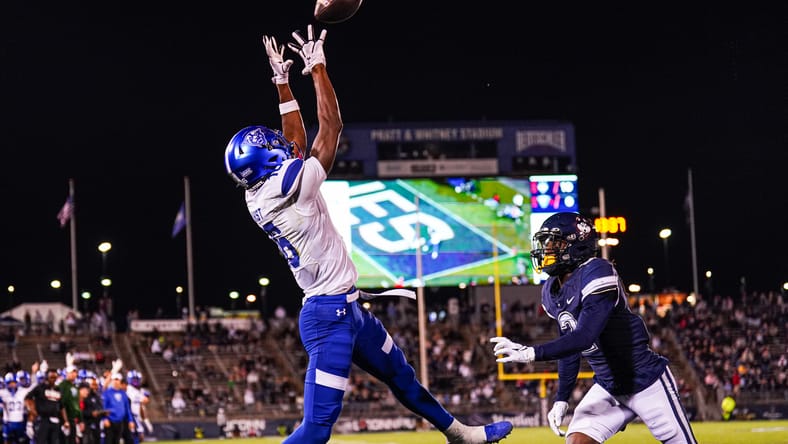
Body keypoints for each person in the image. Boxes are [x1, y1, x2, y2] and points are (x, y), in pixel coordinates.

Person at [223, 24, 513, 444]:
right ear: (268, 161)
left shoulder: (262, 191)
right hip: (328, 318)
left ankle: (459, 434)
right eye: (272, 146)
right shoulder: (286, 189)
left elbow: (293, 143)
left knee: (402, 376)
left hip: (348, 310)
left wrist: (283, 84)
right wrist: (317, 68)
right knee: (317, 430)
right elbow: (330, 128)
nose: (281, 145)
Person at [490, 212, 697, 444]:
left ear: (576, 244)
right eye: (545, 243)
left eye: (554, 243)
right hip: (608, 386)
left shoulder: (597, 271)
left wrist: (530, 353)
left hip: (645, 380)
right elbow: (570, 350)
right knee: (577, 441)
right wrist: (562, 398)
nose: (546, 250)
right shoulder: (552, 290)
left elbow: (584, 337)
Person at [25, 368, 69, 444]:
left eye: (55, 377)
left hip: (55, 421)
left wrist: (66, 421)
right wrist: (32, 410)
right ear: (47, 377)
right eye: (51, 377)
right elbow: (27, 398)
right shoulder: (40, 387)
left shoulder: (58, 389)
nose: (53, 379)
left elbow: (62, 407)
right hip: (43, 420)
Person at [101, 373, 134, 444]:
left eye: (117, 380)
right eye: (114, 379)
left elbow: (127, 408)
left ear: (120, 381)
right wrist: (105, 419)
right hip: (110, 421)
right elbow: (103, 407)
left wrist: (130, 420)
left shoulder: (123, 393)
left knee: (117, 441)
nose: (116, 381)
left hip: (120, 421)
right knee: (109, 441)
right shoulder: (107, 393)